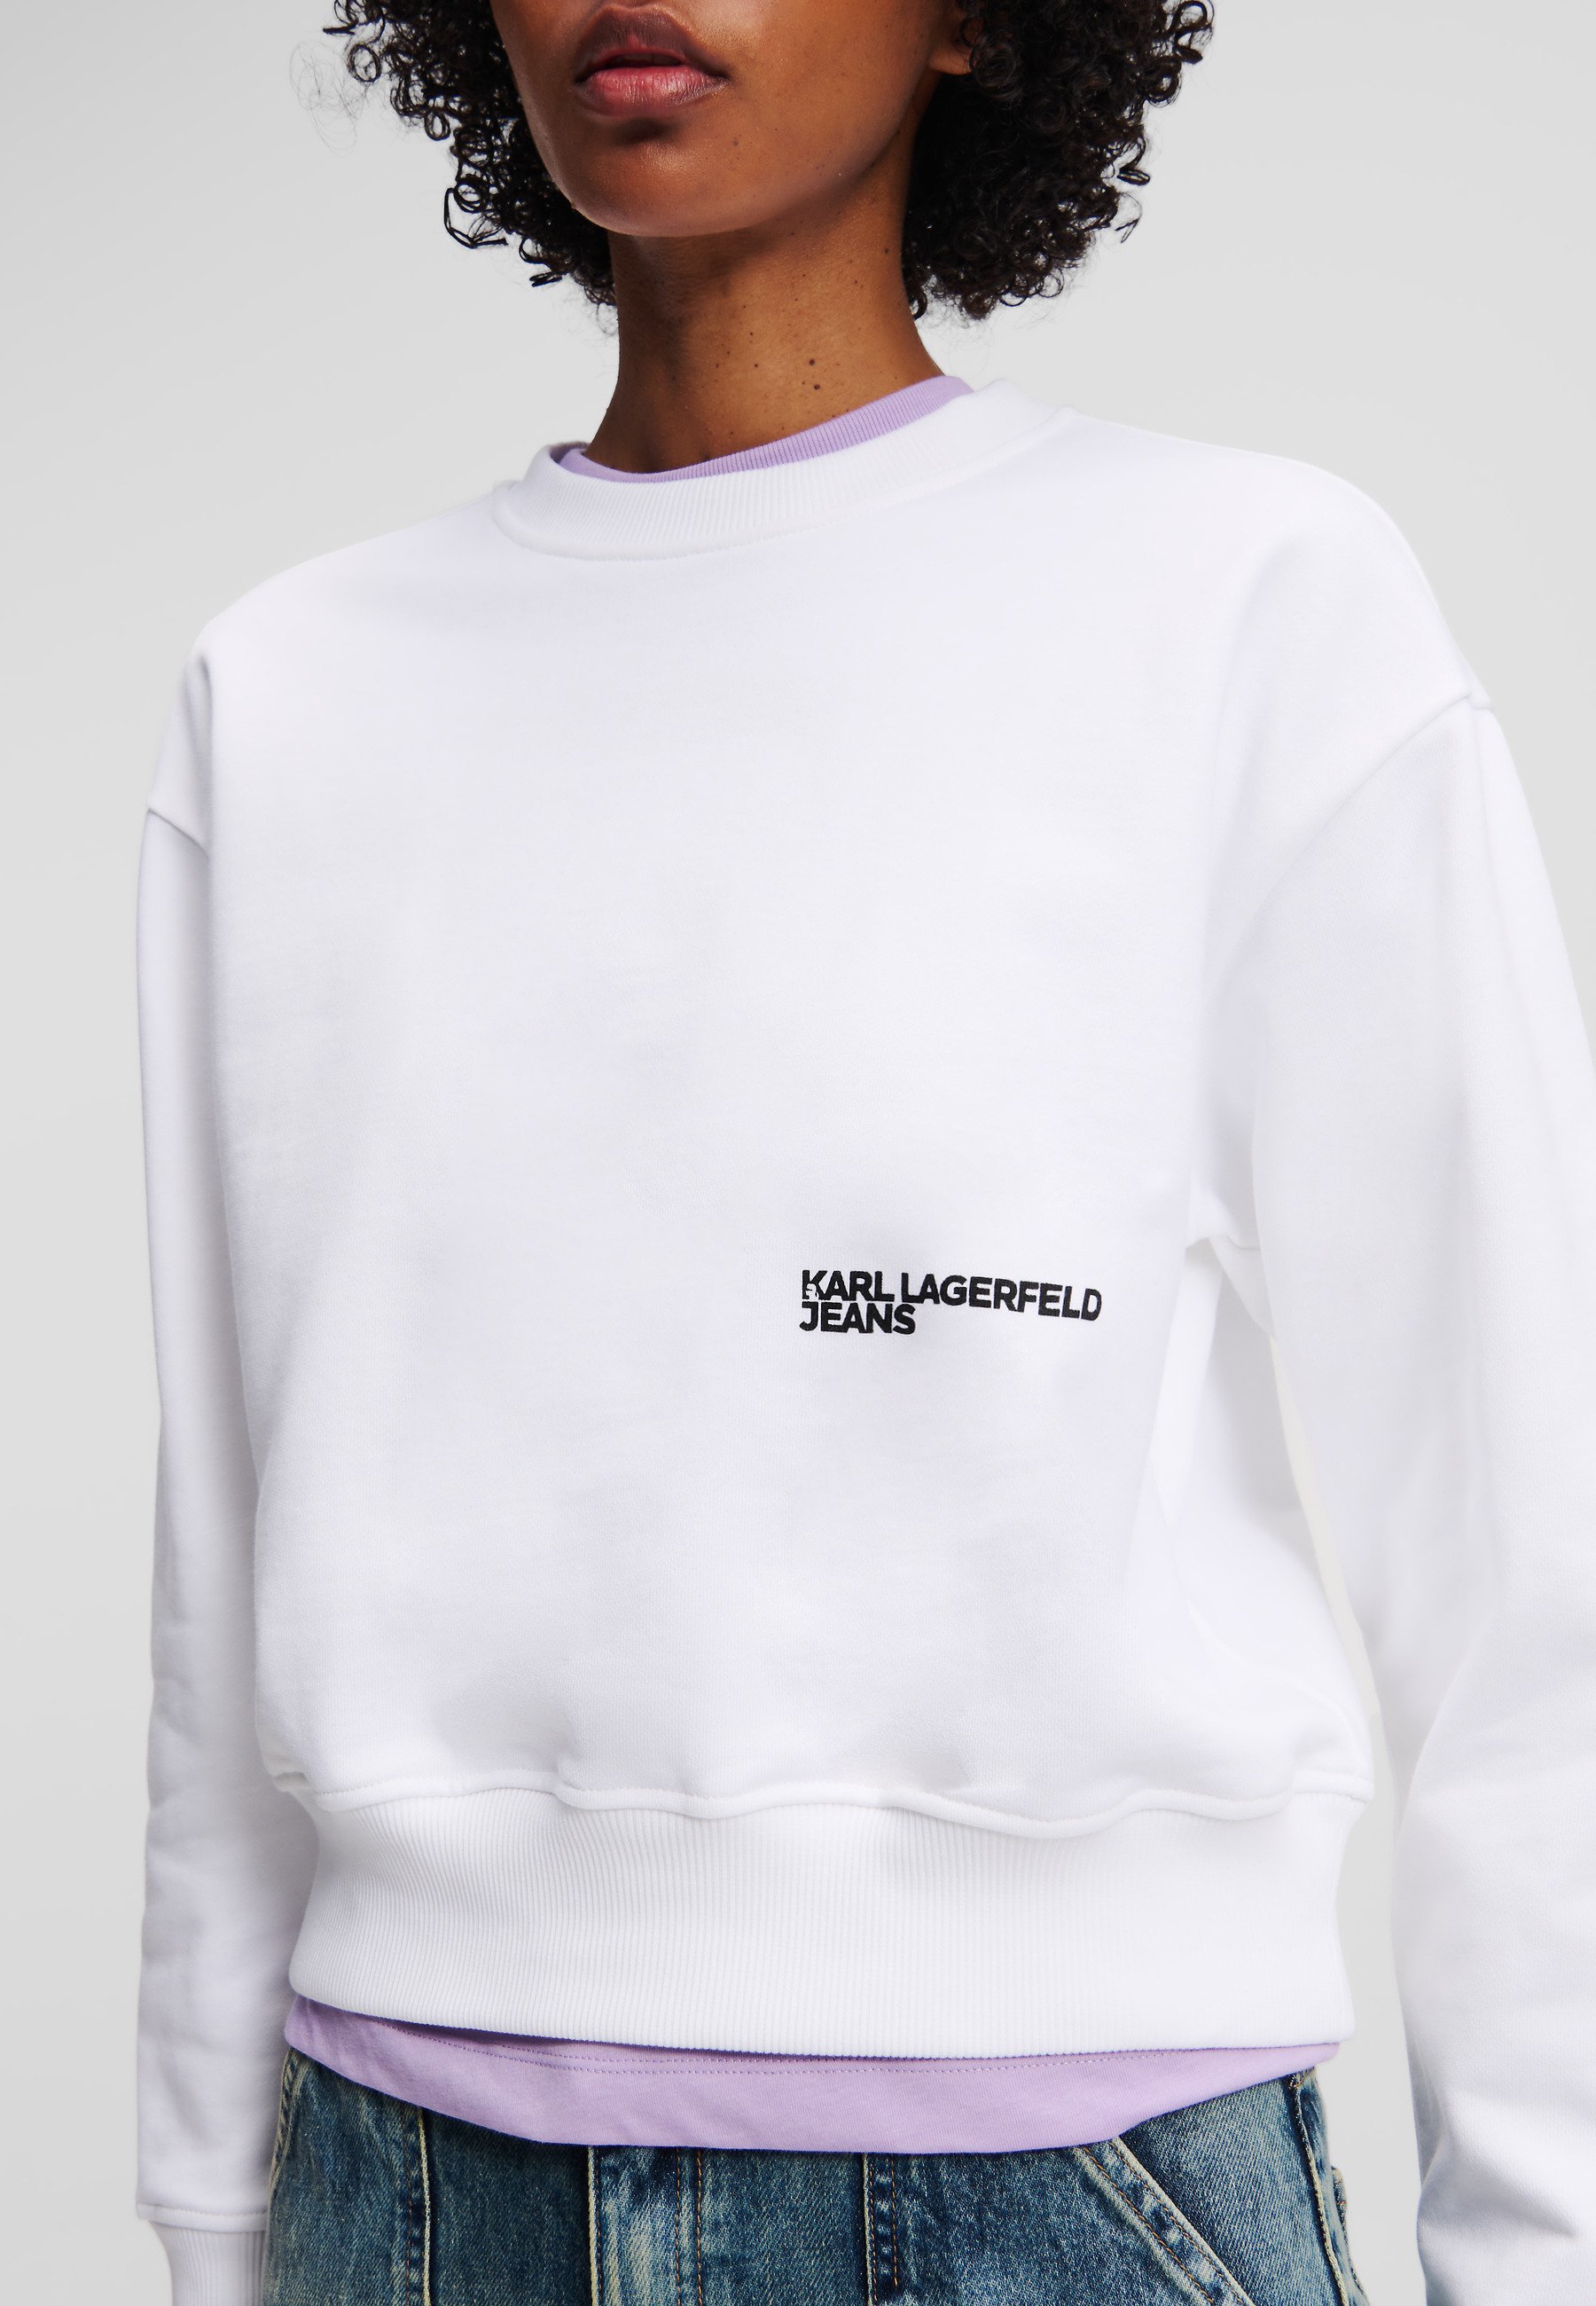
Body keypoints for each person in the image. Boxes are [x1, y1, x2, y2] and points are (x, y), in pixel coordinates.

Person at [133, 0, 1596, 2300]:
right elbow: (228, 1536)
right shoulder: (294, 690)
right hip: (393, 2193)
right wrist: (212, 2213)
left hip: (1071, 2196)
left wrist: (1539, 2249)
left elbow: (1524, 1547)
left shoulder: (1252, 609)